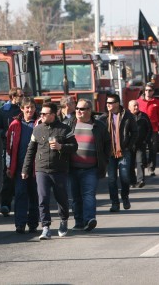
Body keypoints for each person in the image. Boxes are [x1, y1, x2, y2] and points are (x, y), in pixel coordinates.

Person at [22, 102, 78, 240]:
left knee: (62, 198)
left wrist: (61, 146)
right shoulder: (37, 129)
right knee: (43, 198)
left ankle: (63, 221)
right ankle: (46, 228)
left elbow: (74, 146)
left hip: (59, 170)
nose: (41, 116)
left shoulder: (64, 129)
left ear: (53, 115)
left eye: (44, 114)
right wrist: (25, 169)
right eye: (41, 113)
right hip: (41, 169)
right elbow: (31, 150)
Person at [65, 99, 110, 232]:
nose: (78, 111)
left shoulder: (99, 126)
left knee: (88, 195)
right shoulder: (69, 124)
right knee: (75, 197)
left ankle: (89, 219)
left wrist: (104, 159)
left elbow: (107, 143)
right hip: (72, 168)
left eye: (82, 109)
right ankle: (79, 222)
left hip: (91, 168)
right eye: (77, 108)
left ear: (89, 110)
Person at [6, 97, 40, 234]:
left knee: (34, 195)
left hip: (36, 166)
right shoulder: (14, 125)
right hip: (19, 166)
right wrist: (9, 166)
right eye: (27, 107)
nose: (30, 110)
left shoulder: (39, 123)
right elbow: (9, 147)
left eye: (32, 107)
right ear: (22, 109)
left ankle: (33, 223)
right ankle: (20, 224)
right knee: (20, 194)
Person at [0, 87, 23, 216]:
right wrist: (4, 133)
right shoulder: (3, 111)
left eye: (23, 95)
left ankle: (23, 205)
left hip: (24, 147)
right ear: (13, 97)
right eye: (20, 95)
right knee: (8, 177)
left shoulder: (26, 109)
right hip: (9, 149)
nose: (22, 98)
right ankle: (5, 205)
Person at [106, 93, 138, 212]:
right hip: (110, 153)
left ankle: (125, 197)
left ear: (117, 103)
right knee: (111, 179)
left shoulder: (127, 116)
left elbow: (135, 132)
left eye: (110, 103)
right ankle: (115, 202)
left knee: (124, 177)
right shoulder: (104, 117)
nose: (108, 105)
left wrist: (129, 146)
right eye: (107, 103)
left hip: (124, 151)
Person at [137, 82, 159, 176]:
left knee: (153, 149)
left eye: (150, 90)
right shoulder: (138, 102)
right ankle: (143, 165)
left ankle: (151, 168)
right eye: (146, 90)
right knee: (142, 148)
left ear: (153, 91)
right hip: (141, 130)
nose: (148, 92)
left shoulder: (157, 103)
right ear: (144, 91)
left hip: (153, 129)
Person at [128, 100, 151, 188]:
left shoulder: (144, 116)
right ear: (129, 107)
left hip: (141, 143)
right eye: (134, 106)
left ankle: (140, 180)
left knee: (140, 162)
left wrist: (146, 140)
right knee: (130, 163)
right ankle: (132, 181)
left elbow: (149, 129)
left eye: (137, 105)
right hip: (129, 144)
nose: (136, 107)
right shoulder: (126, 117)